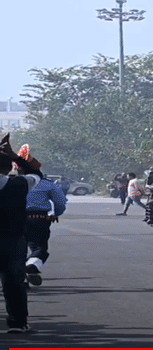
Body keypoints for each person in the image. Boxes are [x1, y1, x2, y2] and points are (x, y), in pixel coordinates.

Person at [0, 136, 44, 333]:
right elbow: (37, 173)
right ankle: (17, 323)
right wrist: (14, 155)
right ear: (9, 168)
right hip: (11, 240)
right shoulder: (20, 184)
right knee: (13, 282)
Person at [23, 172, 66, 287]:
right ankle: (32, 265)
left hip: (14, 219)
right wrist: (56, 213)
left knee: (17, 250)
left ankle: (20, 278)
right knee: (39, 248)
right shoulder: (46, 184)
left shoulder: (12, 182)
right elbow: (60, 203)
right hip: (39, 219)